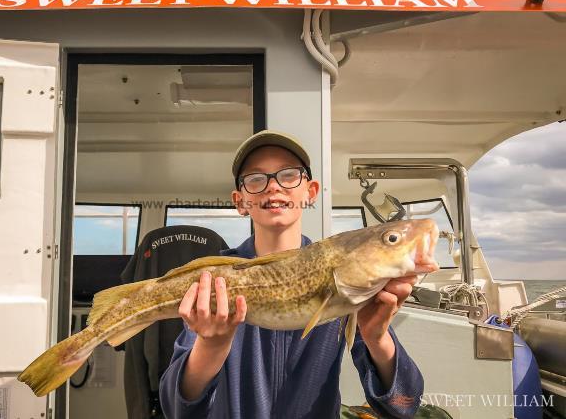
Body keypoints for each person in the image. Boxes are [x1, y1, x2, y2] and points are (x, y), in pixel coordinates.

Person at [159, 130, 424, 418]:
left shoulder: (346, 276)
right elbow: (177, 409)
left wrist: (377, 338)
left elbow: (403, 405)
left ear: (309, 191)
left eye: (288, 175)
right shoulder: (217, 280)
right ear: (240, 201)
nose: (273, 187)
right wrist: (211, 346)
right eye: (256, 179)